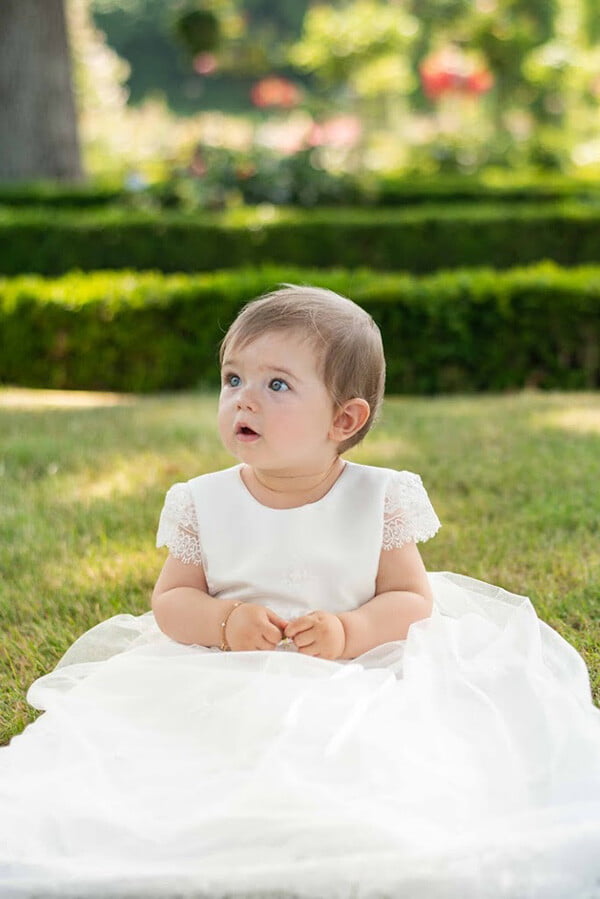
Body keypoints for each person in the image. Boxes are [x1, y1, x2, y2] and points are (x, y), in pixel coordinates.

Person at [0, 285, 599, 899]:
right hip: (225, 667)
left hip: (360, 666)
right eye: (233, 379)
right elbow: (173, 600)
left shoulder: (378, 496)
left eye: (276, 385)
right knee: (170, 760)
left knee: (377, 761)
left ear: (344, 419)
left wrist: (351, 631)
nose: (244, 400)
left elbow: (410, 598)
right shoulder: (202, 501)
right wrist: (223, 623)